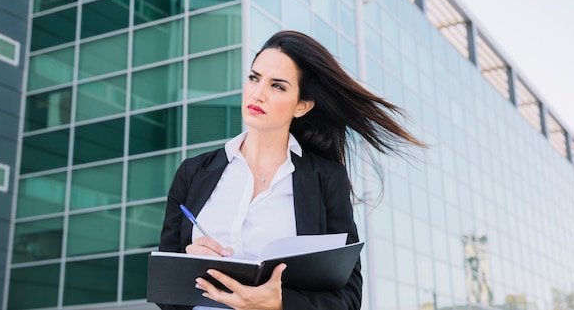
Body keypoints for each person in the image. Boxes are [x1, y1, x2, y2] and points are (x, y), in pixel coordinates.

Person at [157, 30, 424, 310]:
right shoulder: (194, 173)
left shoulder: (326, 181)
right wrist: (188, 265)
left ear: (302, 106)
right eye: (254, 77)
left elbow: (349, 298)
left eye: (277, 86)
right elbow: (164, 292)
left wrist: (281, 303)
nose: (258, 93)